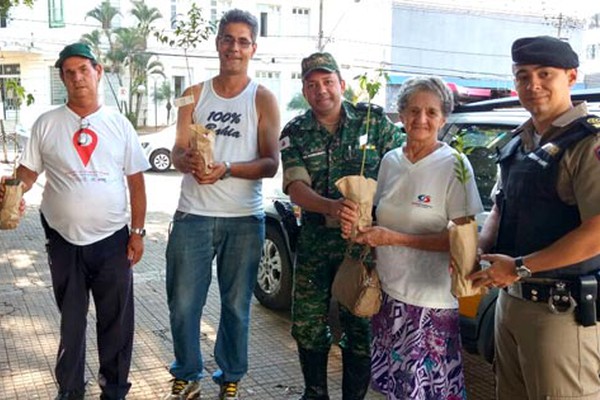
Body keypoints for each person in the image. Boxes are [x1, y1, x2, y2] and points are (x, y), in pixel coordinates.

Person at [1, 42, 149, 400]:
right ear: (62, 78)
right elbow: (27, 174)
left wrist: (138, 232)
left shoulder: (119, 125)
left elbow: (136, 181)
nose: (77, 77)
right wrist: (10, 195)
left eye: (84, 69)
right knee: (71, 323)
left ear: (98, 72)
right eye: (69, 72)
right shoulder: (47, 124)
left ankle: (114, 391)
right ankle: (70, 391)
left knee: (115, 322)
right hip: (64, 240)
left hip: (113, 240)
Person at [469, 36, 600, 399]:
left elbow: (598, 231)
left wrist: (520, 267)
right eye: (523, 76)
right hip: (510, 302)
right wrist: (479, 247)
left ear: (572, 77)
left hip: (561, 311)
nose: (533, 85)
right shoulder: (519, 141)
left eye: (545, 74)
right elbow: (500, 204)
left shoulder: (589, 143)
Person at [339, 76, 482, 400]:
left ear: (443, 118)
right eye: (413, 110)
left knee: (425, 390)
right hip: (388, 297)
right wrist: (359, 229)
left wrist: (394, 238)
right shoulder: (390, 160)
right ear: (400, 115)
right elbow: (379, 220)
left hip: (429, 304)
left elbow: (463, 241)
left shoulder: (455, 165)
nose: (421, 119)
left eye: (432, 112)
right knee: (395, 388)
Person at [163, 9, 280, 400]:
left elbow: (270, 162)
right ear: (217, 43)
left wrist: (226, 168)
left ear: (253, 48)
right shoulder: (192, 94)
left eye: (243, 41)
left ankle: (230, 375)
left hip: (244, 220)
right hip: (192, 214)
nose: (234, 47)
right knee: (182, 303)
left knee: (236, 306)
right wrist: (188, 162)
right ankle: (187, 371)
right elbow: (177, 150)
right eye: (228, 39)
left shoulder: (263, 98)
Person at [280, 52, 403, 400]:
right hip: (317, 241)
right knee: (307, 323)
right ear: (305, 90)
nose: (321, 90)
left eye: (327, 82)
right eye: (312, 84)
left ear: (341, 84)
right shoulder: (295, 131)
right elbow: (295, 187)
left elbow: (401, 168)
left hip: (363, 243)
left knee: (360, 323)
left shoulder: (373, 123)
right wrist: (331, 205)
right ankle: (315, 393)